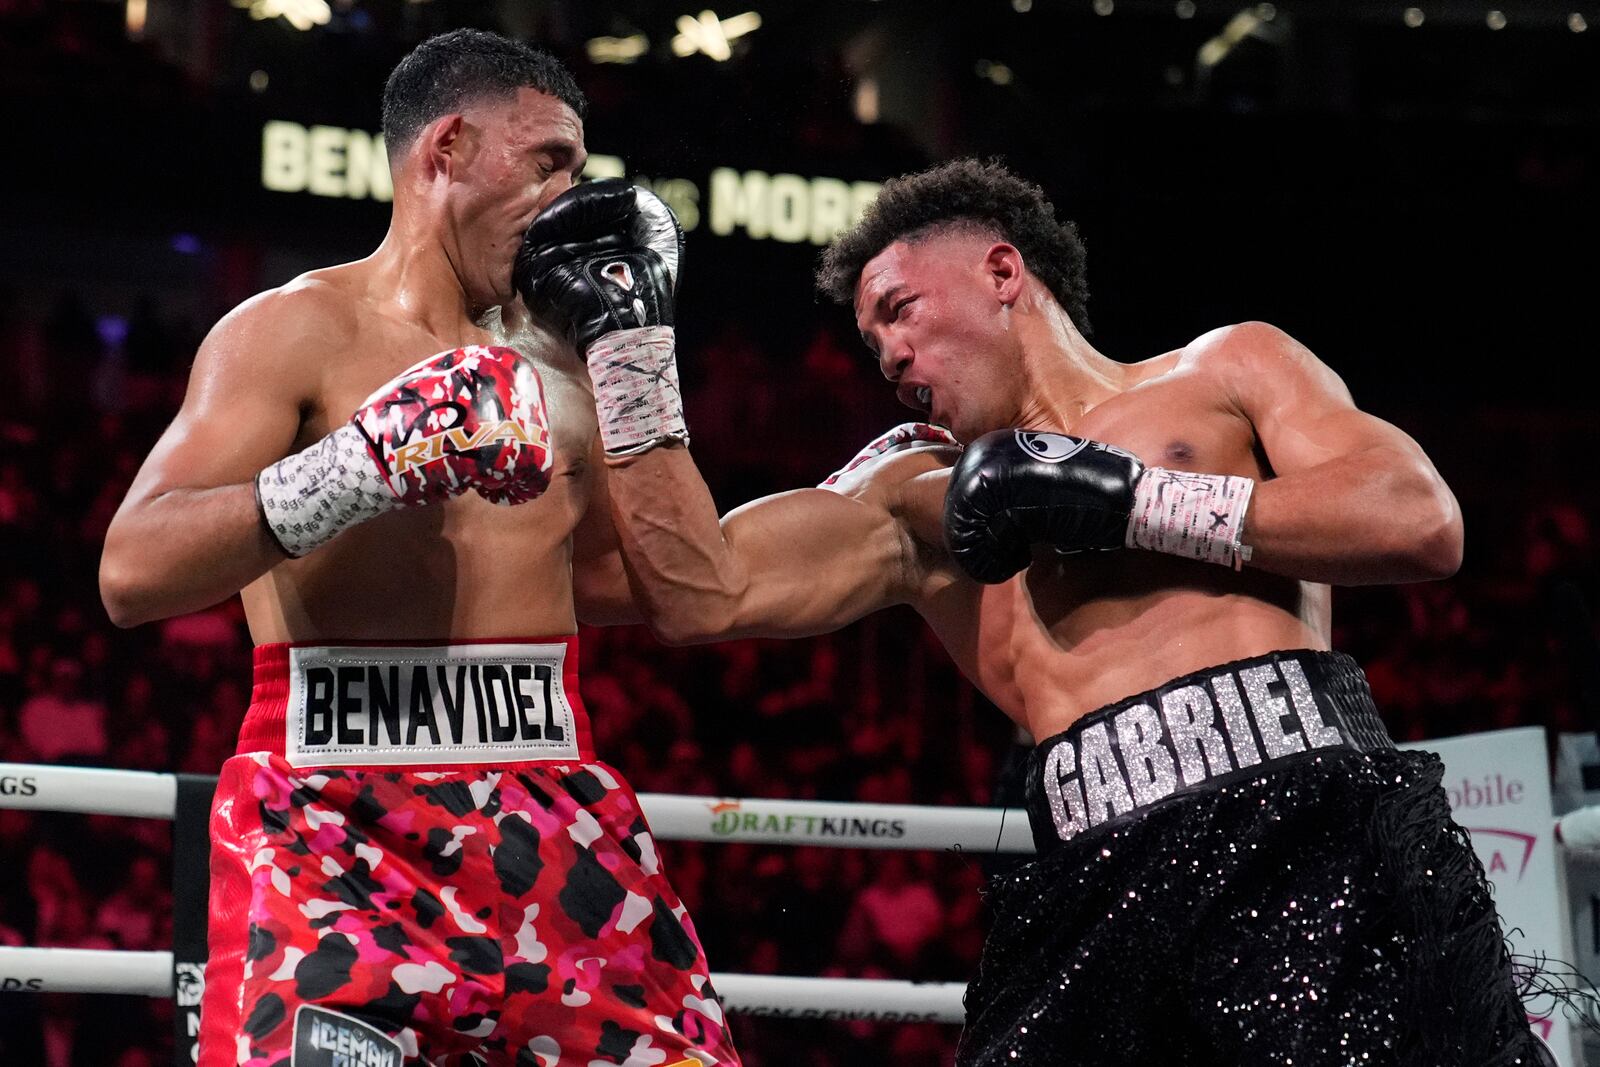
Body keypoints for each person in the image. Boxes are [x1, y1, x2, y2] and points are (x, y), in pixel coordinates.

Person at [515, 158, 1555, 1065]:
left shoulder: (1225, 367)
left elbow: (1418, 522)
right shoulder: (913, 491)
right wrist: (625, 352)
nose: (884, 354)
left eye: (897, 309)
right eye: (869, 336)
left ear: (1001, 272)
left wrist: (1132, 501)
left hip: (1309, 828)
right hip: (1093, 882)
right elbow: (696, 589)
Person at [99, 29, 737, 1067]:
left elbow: (681, 591)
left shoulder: (574, 362)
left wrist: (638, 362)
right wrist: (357, 463)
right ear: (444, 150)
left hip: (547, 811)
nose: (576, 194)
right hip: (330, 819)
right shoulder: (293, 330)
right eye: (550, 163)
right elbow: (131, 570)